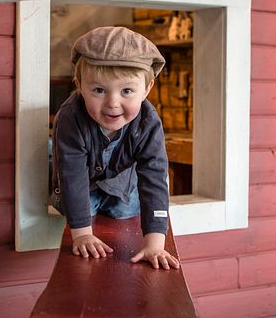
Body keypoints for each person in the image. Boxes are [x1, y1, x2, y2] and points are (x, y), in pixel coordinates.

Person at [51, 26, 180, 270]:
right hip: (82, 184)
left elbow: (155, 177)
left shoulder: (148, 122)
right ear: (79, 84)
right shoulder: (71, 118)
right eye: (99, 90)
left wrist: (155, 243)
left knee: (125, 217)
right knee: (77, 214)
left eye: (127, 91)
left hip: (123, 184)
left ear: (147, 89)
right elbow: (72, 175)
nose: (112, 103)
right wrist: (82, 234)